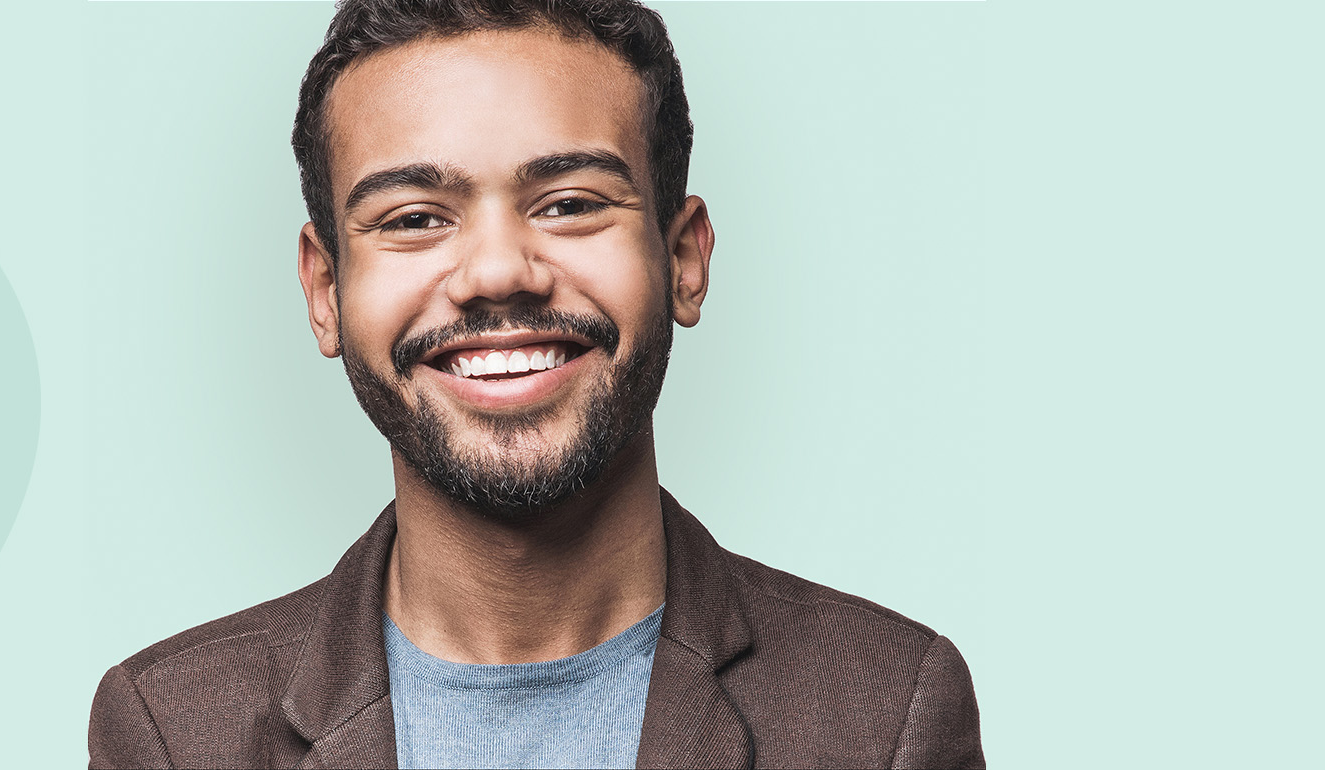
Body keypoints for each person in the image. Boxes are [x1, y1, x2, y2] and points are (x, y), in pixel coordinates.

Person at [88, 1, 983, 767]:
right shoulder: (173, 734)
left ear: (683, 259)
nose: (497, 271)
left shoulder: (887, 715)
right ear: (325, 291)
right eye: (412, 218)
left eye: (570, 204)